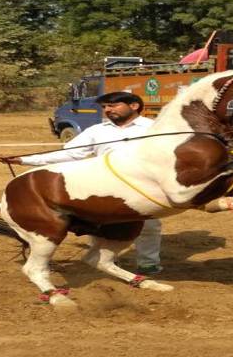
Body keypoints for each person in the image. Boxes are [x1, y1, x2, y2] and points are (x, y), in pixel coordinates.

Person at [10, 92, 164, 274]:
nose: (108, 110)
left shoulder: (156, 128)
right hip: (103, 187)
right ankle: (105, 261)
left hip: (142, 187)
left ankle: (148, 263)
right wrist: (24, 160)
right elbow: (70, 153)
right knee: (98, 225)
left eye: (113, 106)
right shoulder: (97, 130)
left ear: (134, 106)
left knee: (148, 226)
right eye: (105, 106)